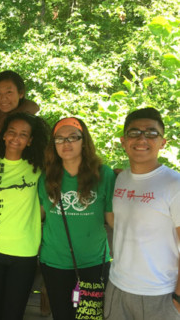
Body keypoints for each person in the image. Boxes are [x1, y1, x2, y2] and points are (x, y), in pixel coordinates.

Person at [104, 108, 180, 320]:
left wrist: (179, 298)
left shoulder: (175, 185)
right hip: (117, 287)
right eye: (134, 132)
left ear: (163, 142)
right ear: (123, 141)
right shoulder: (119, 179)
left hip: (160, 294)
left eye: (151, 133)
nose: (142, 138)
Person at [38, 117, 115, 319]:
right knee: (62, 316)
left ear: (84, 141)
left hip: (93, 264)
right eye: (60, 139)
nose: (66, 143)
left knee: (90, 318)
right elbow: (38, 215)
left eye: (73, 137)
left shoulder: (104, 174)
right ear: (53, 144)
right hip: (54, 262)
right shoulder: (46, 176)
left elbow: (113, 219)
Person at [0, 113, 50, 320]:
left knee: (13, 314)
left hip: (24, 252)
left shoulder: (39, 168)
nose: (16, 138)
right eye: (12, 132)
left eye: (23, 134)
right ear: (3, 135)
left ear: (30, 141)